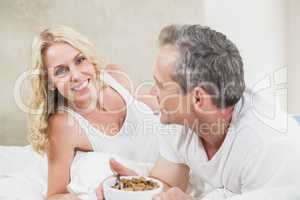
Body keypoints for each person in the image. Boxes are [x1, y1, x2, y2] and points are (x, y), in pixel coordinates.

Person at [97, 24, 300, 200]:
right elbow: (167, 183)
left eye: (160, 85)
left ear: (198, 99)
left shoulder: (269, 147)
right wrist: (134, 189)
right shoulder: (180, 120)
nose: (151, 92)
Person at [28, 25, 160, 199]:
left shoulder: (116, 76)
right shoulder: (64, 124)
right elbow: (55, 195)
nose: (76, 75)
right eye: (61, 71)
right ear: (50, 82)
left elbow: (154, 110)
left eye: (79, 60)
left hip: (177, 171)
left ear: (89, 59)